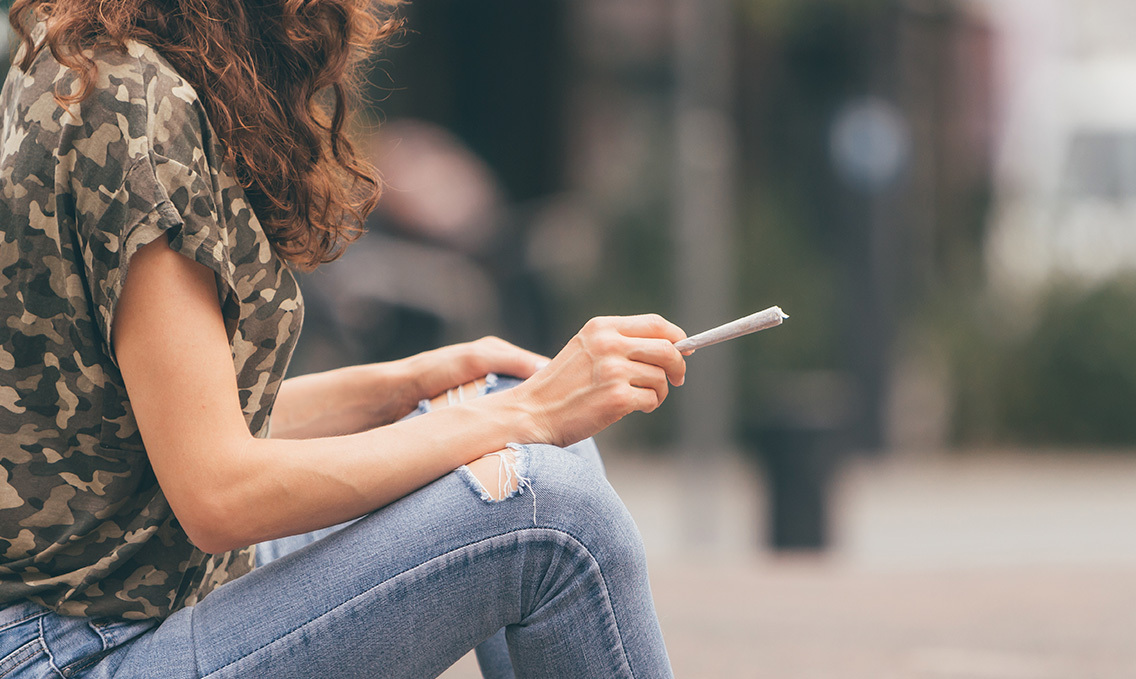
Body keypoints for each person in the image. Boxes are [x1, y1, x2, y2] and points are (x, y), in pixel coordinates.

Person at [0, 1, 685, 677]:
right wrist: (523, 414)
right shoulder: (133, 107)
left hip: (120, 601)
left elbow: (174, 427)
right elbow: (217, 492)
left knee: (500, 397)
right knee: (558, 517)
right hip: (86, 650)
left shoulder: (82, 54)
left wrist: (413, 387)